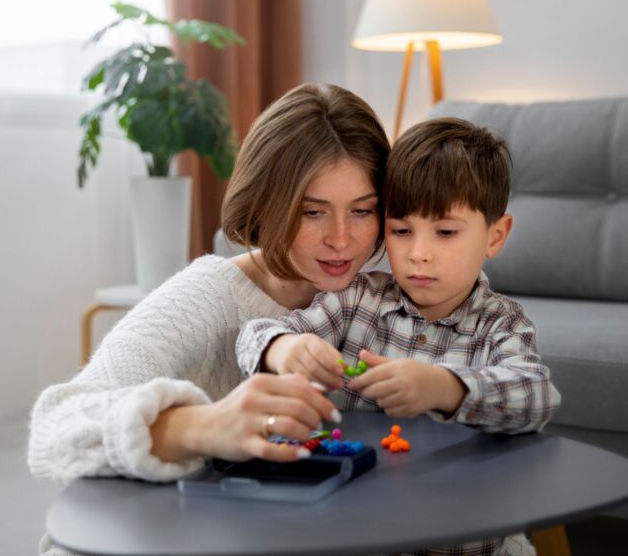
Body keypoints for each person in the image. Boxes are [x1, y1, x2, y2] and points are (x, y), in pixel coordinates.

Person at [28, 83, 389, 495]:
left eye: (362, 210)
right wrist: (200, 425)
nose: (341, 240)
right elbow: (54, 428)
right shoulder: (209, 294)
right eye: (312, 212)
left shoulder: (383, 297)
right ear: (264, 203)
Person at [236, 117, 562, 556]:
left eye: (445, 232)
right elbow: (255, 333)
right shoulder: (357, 300)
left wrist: (445, 387)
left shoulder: (501, 324)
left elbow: (537, 396)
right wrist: (284, 347)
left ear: (495, 236)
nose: (418, 253)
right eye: (401, 230)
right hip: (360, 532)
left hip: (462, 539)